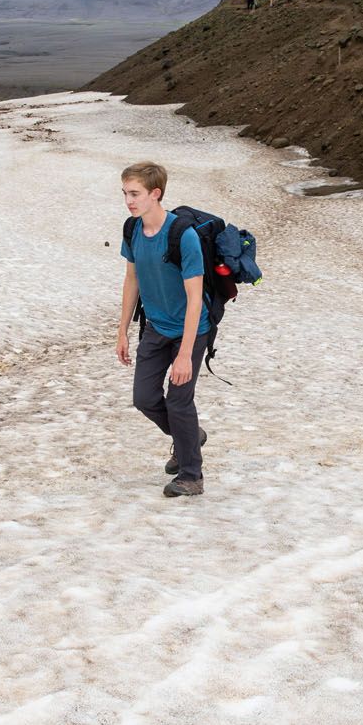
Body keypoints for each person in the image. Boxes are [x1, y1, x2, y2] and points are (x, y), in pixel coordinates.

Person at [116, 161, 210, 497]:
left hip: (190, 330)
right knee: (144, 399)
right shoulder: (132, 230)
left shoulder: (182, 235)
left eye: (135, 193)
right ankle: (190, 436)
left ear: (155, 194)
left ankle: (191, 475)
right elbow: (132, 279)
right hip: (155, 328)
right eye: (126, 193)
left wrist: (185, 354)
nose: (129, 200)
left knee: (179, 402)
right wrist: (122, 330)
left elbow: (195, 297)